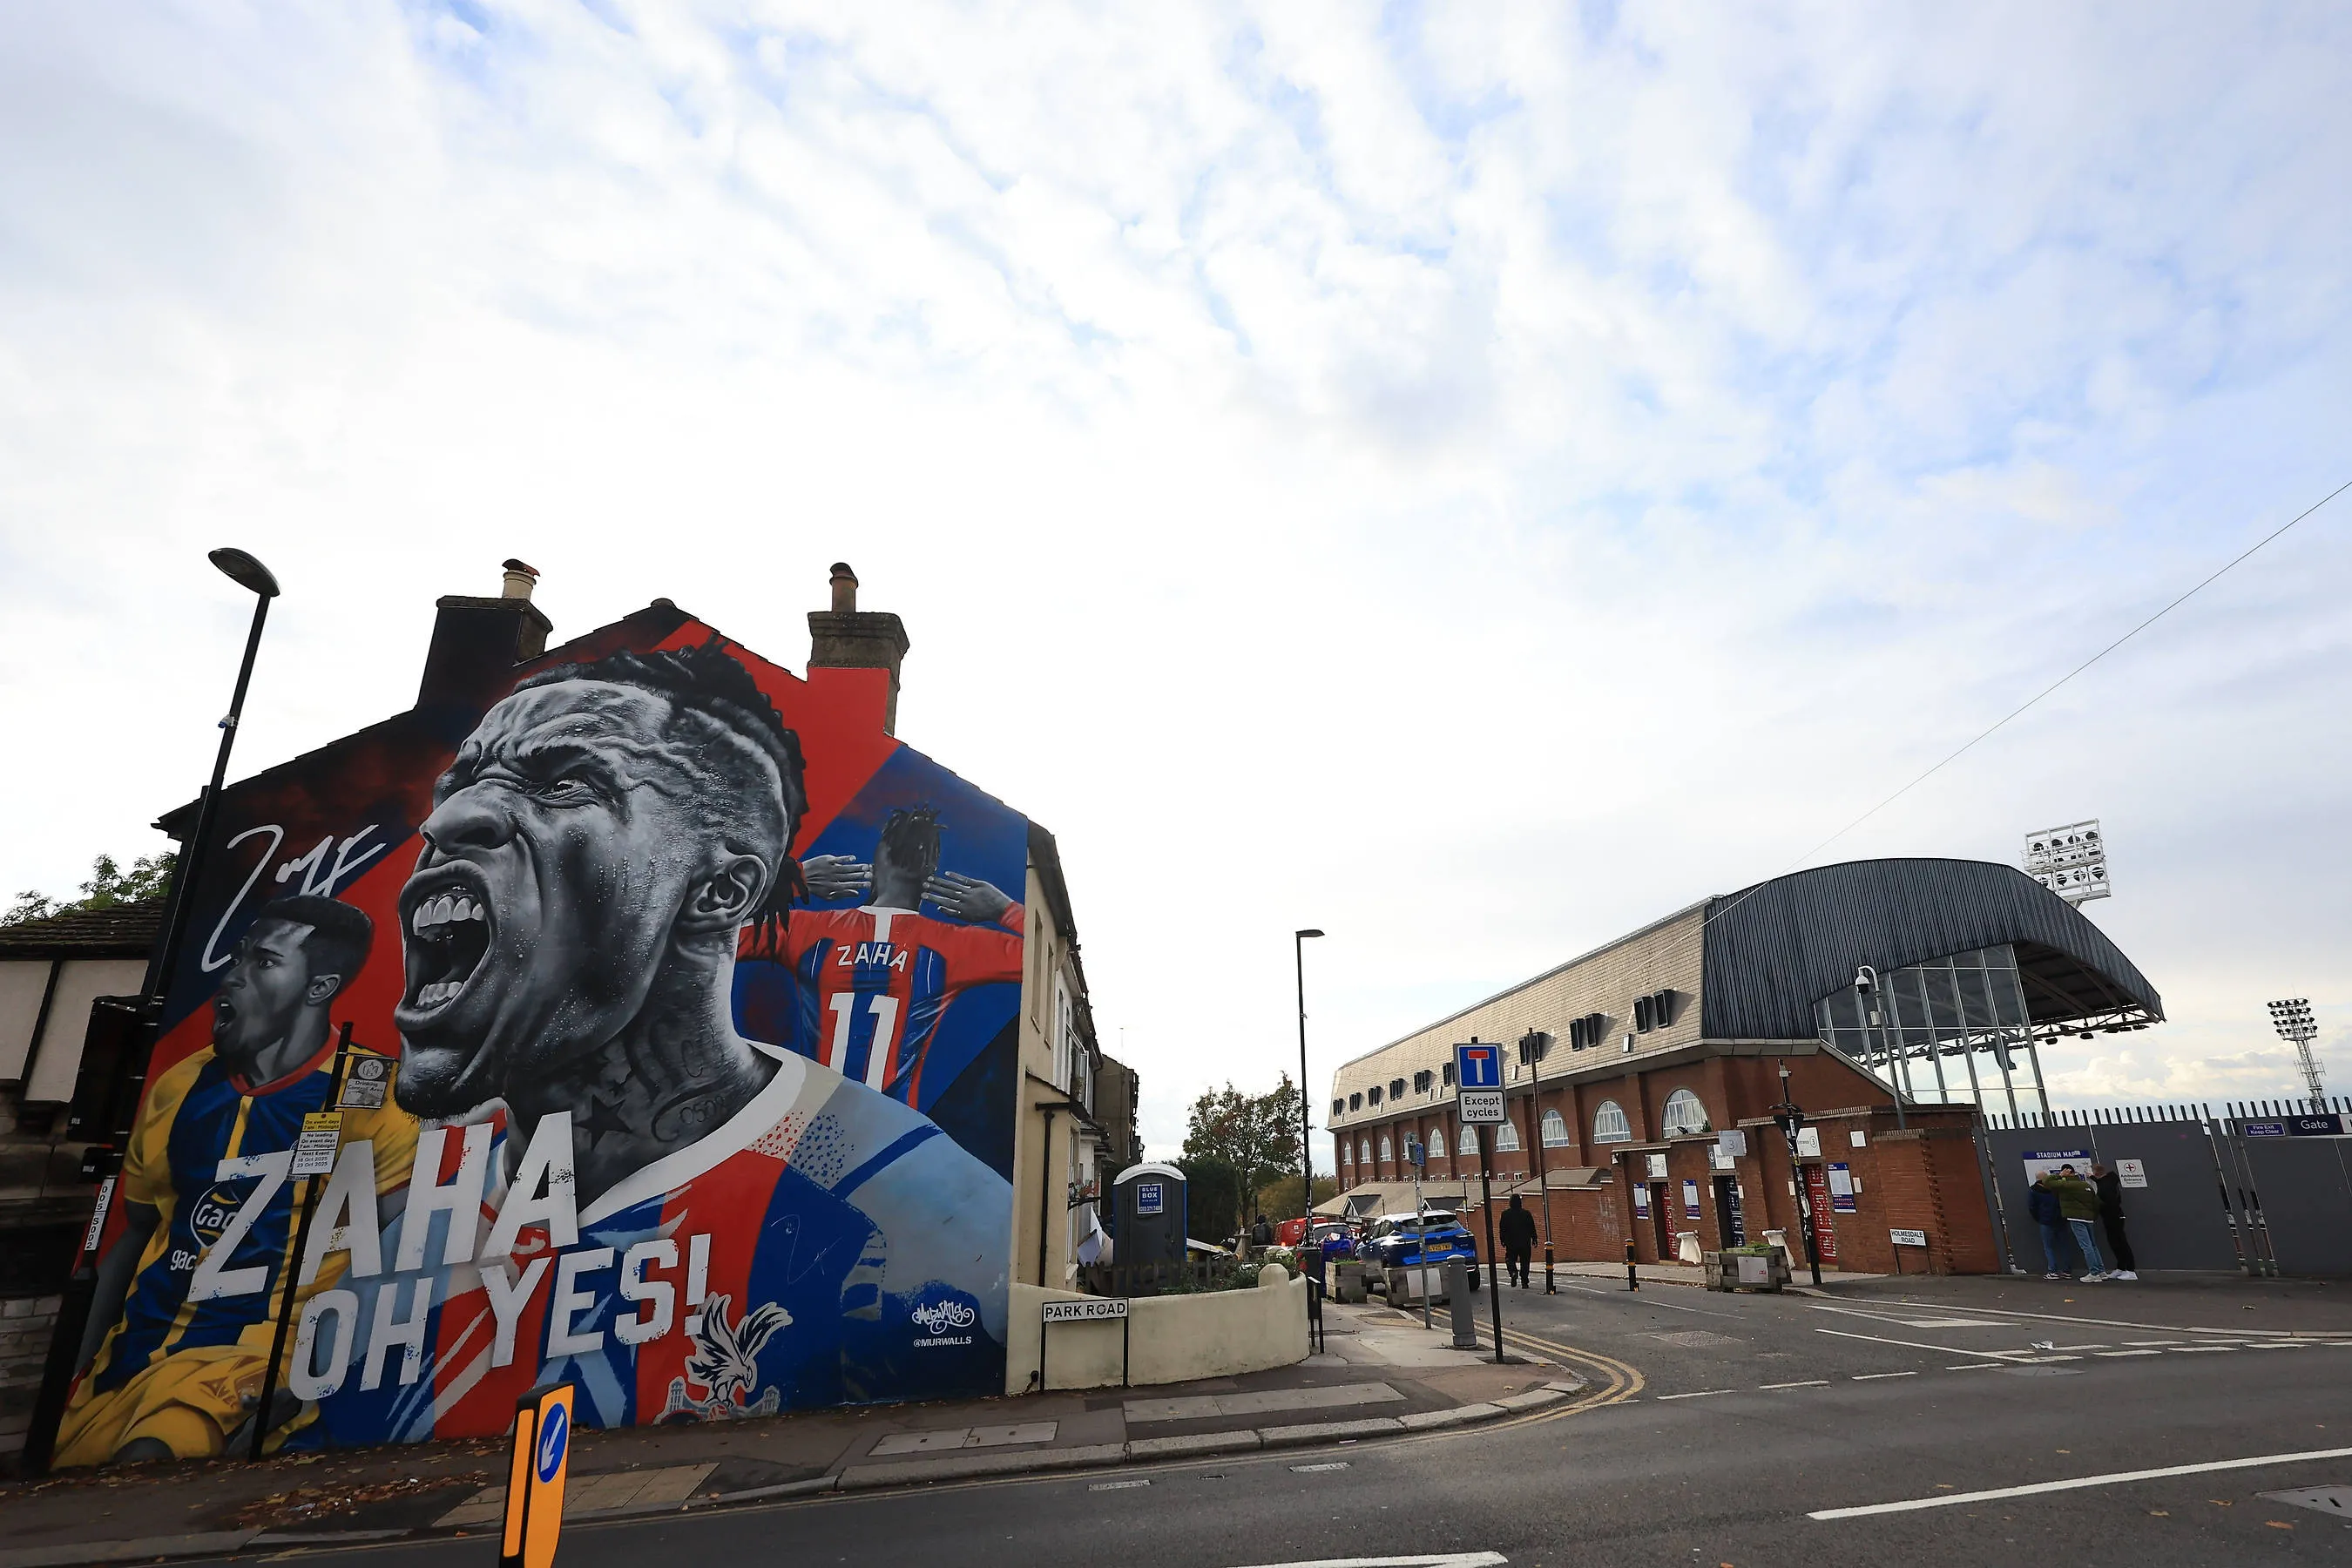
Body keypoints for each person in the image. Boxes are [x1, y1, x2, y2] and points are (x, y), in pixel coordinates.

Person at [394, 639, 1014, 1427]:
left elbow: (745, 940)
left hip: (838, 1132)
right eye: (460, 785)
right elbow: (1029, 956)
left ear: (722, 891)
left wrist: (790, 899)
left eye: (564, 784)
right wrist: (1001, 910)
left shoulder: (914, 1228)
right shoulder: (406, 1209)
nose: (445, 819)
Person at [56, 896, 414, 1465]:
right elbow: (136, 1234)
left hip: (252, 1361)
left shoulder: (373, 1094)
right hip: (124, 1367)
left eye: (264, 962)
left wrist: (311, 1379)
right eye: (239, 956)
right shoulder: (178, 1084)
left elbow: (400, 1255)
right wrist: (75, 1363)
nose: (233, 976)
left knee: (148, 1463)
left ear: (318, 988)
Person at [773, 808, 1026, 1106]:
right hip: (894, 1141)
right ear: (931, 868)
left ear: (878, 858)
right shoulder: (952, 947)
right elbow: (1043, 969)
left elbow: (710, 934)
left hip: (811, 1131)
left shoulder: (804, 931)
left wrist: (791, 880)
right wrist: (1005, 910)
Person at [2041, 1163, 2110, 1281]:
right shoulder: (2085, 1185)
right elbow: (2096, 1202)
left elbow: (2047, 1182)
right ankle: (2101, 1271)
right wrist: (2093, 1216)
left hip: (2075, 1218)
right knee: (2093, 1245)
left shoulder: (2066, 1185)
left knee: (2086, 1246)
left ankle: (2094, 1273)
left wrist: (2060, 1175)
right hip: (2089, 1218)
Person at [2091, 1161, 2139, 1281]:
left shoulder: (2107, 1185)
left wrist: (2098, 1206)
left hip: (2114, 1217)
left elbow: (2107, 1198)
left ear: (2097, 1173)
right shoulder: (2107, 1181)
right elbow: (2101, 1182)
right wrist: (2092, 1177)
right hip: (2109, 1217)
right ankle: (2121, 1268)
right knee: (2114, 1243)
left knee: (2121, 1243)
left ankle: (2131, 1270)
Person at [2025, 1171, 2068, 1278]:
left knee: (2049, 1247)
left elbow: (2032, 1207)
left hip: (2045, 1221)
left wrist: (2039, 1218)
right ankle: (2067, 1270)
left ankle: (2053, 1271)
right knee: (2063, 1246)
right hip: (2060, 1219)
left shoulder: (2034, 1191)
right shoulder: (2055, 1188)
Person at [1499, 1193, 1538, 1288]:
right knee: (1525, 1262)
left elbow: (1502, 1228)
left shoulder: (1505, 1214)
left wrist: (1502, 1240)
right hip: (1525, 1242)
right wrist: (1534, 1238)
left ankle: (1513, 1272)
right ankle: (1524, 1281)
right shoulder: (1526, 1214)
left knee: (1510, 1259)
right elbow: (1532, 1227)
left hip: (1511, 1242)